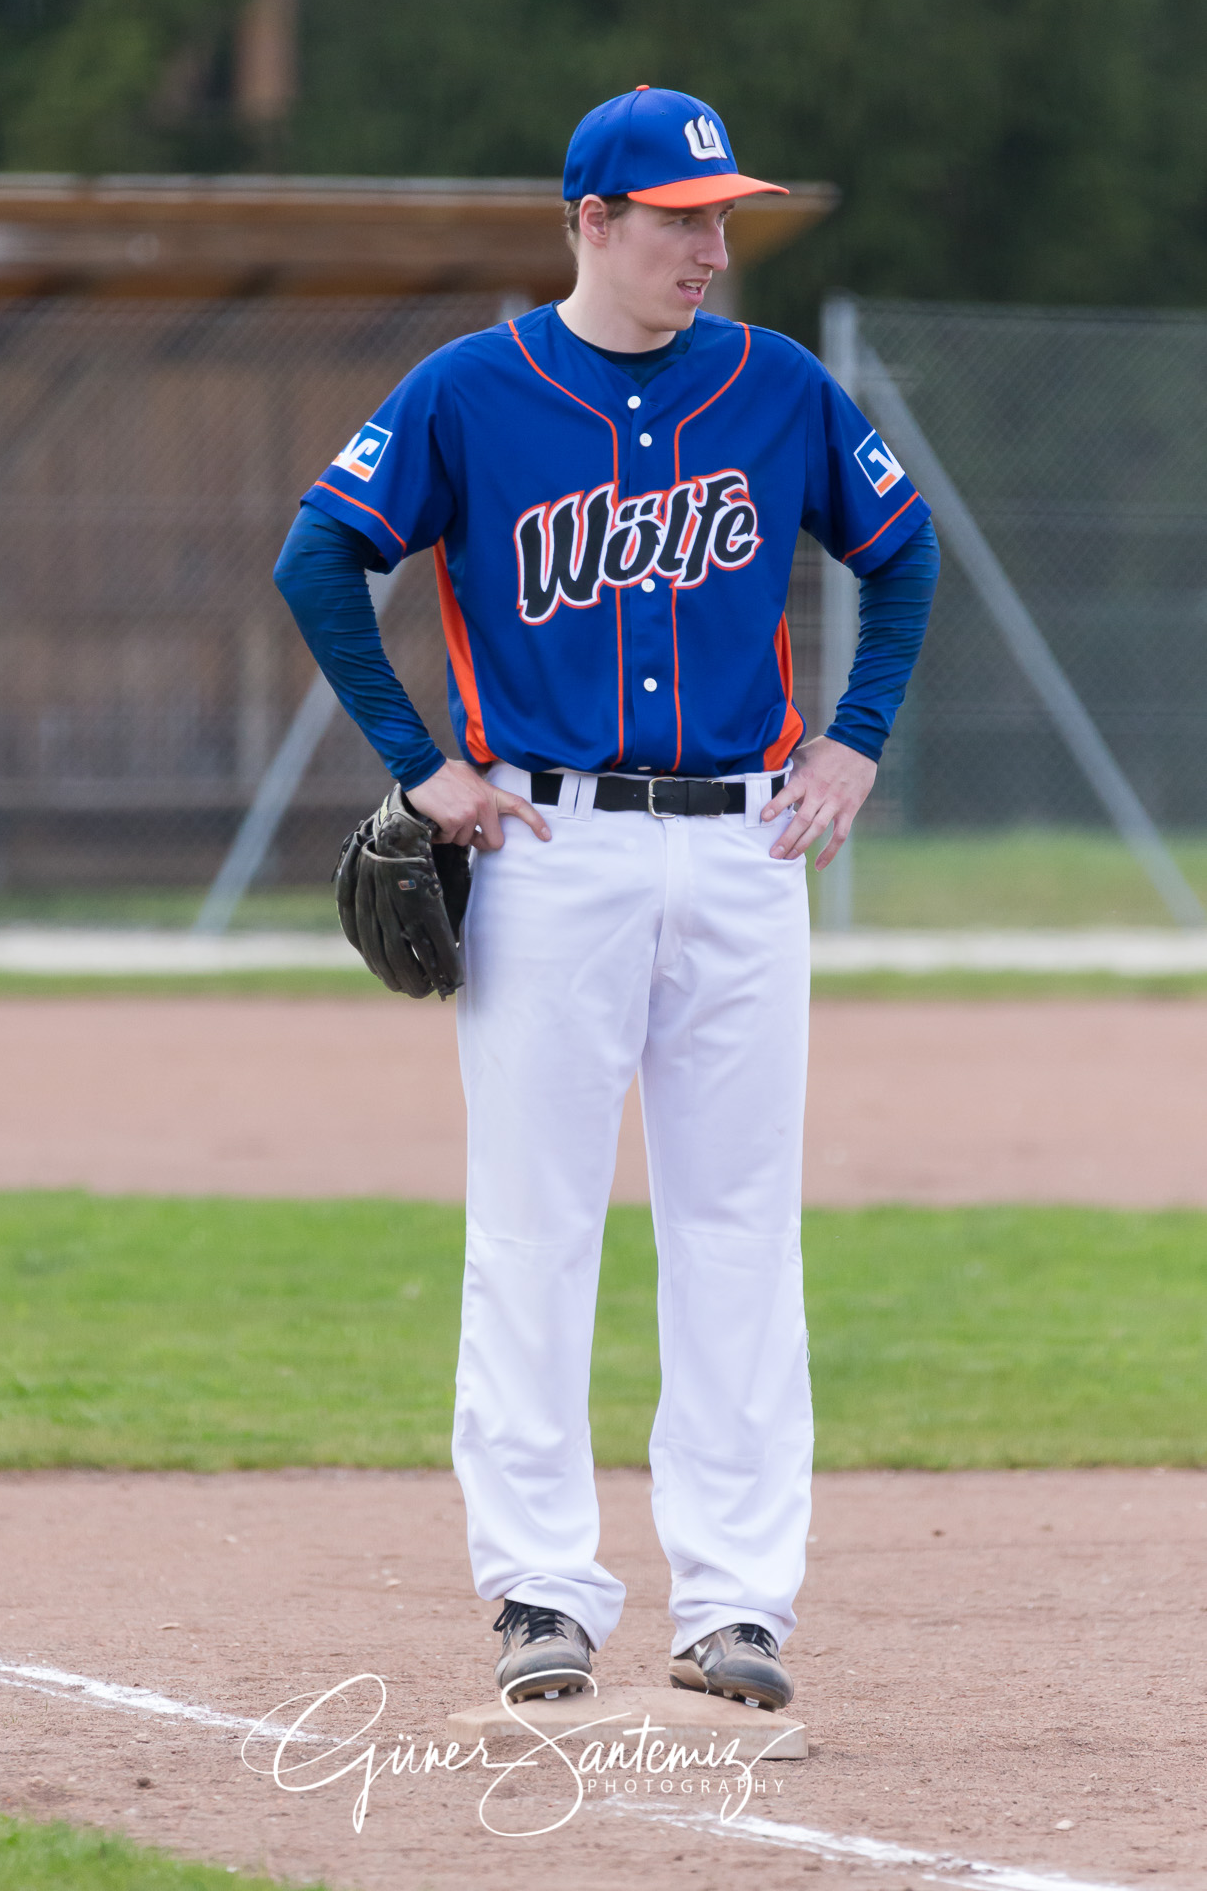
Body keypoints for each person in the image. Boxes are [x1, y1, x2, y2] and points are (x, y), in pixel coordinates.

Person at [274, 86, 938, 1711]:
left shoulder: (774, 387)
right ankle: (541, 1597)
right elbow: (319, 556)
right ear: (589, 221)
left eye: (720, 217)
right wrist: (423, 765)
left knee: (735, 1227)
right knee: (534, 1227)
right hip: (546, 852)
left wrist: (852, 741)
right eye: (676, 218)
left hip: (737, 849)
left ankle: (733, 1606)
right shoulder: (472, 393)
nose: (709, 245)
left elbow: (900, 552)